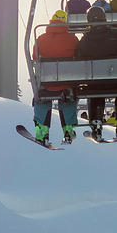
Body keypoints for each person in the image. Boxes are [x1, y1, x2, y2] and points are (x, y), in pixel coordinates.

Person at [75, 6, 117, 140]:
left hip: (96, 82)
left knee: (94, 92)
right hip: (116, 81)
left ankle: (96, 124)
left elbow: (78, 57)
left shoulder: (86, 40)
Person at [32, 9, 80, 144]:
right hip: (66, 83)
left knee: (41, 98)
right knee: (68, 99)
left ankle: (42, 132)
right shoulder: (73, 39)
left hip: (47, 83)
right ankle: (68, 130)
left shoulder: (41, 38)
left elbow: (35, 57)